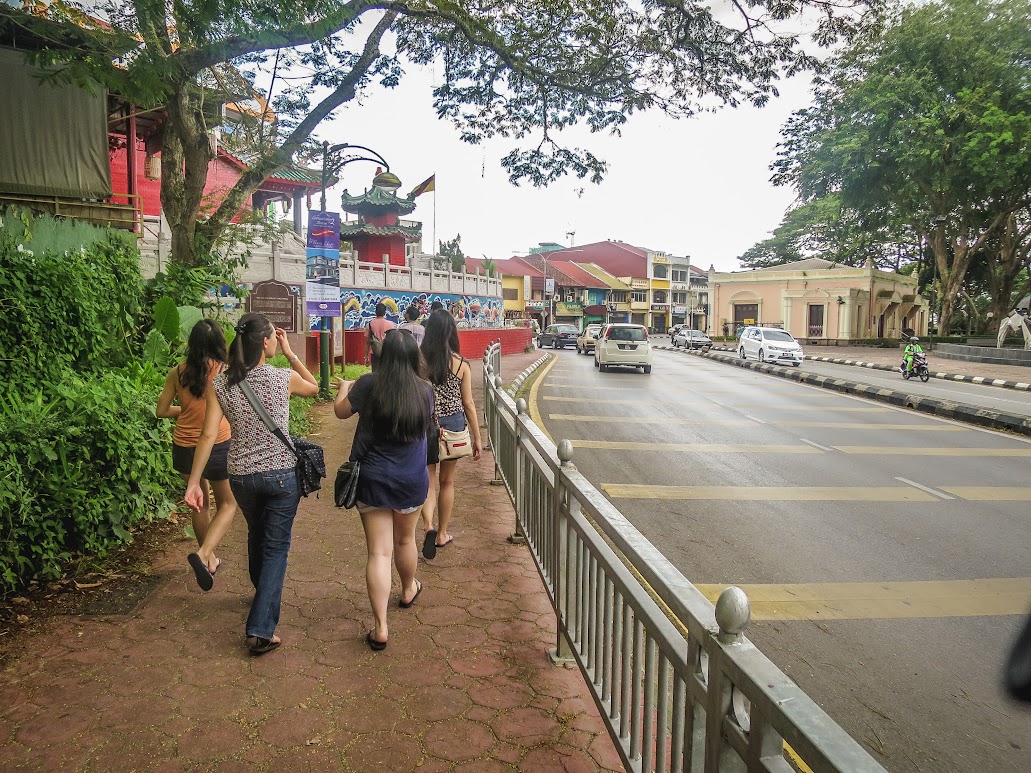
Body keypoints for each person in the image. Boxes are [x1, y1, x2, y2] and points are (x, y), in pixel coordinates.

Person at [185, 313, 319, 655]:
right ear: (265, 342)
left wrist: (194, 482)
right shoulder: (282, 378)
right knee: (276, 547)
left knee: (257, 533)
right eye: (274, 337)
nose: (276, 341)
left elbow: (208, 434)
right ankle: (261, 629)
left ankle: (263, 592)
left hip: (242, 476)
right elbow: (315, 387)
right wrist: (291, 354)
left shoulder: (221, 384)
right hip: (281, 474)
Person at [334, 329, 433, 651]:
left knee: (378, 552)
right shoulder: (425, 391)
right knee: (406, 540)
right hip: (411, 479)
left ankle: (380, 628)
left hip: (373, 478)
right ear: (414, 357)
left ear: (382, 355)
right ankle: (407, 589)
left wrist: (344, 389)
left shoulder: (367, 384)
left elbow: (340, 412)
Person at [156, 319, 237, 584]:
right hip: (217, 445)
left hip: (183, 446)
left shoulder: (177, 372)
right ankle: (204, 555)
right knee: (228, 503)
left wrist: (187, 410)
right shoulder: (227, 371)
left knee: (199, 503)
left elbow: (161, 411)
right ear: (220, 343)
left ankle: (209, 559)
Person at [419, 309, 482, 559]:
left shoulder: (419, 361)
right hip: (453, 426)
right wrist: (477, 437)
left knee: (428, 480)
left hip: (425, 424)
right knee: (447, 482)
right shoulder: (461, 364)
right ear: (451, 332)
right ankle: (442, 533)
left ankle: (428, 526)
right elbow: (468, 404)